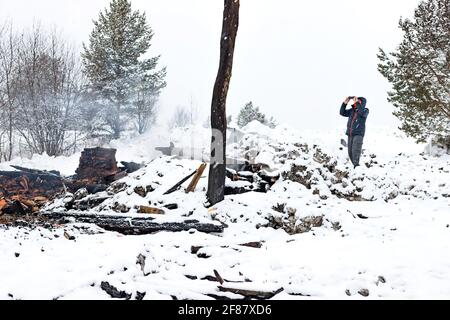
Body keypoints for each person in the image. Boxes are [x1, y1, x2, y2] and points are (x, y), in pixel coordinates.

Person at [340, 96, 369, 168]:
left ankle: (357, 166)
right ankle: (356, 168)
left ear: (362, 103)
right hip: (350, 134)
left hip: (358, 134)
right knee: (350, 152)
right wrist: (345, 103)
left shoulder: (365, 110)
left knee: (355, 150)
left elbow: (361, 113)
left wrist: (357, 103)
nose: (356, 102)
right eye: (356, 101)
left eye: (359, 101)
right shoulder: (352, 111)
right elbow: (342, 112)